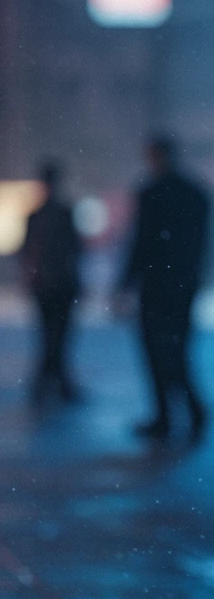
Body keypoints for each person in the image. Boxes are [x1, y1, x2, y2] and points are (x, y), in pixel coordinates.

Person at [121, 136, 209, 443]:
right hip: (182, 284)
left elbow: (142, 243)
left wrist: (126, 283)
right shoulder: (196, 194)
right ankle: (192, 412)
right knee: (178, 349)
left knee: (155, 350)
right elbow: (200, 244)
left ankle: (166, 416)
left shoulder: (152, 194)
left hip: (157, 285)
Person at [20, 162, 82, 405]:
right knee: (59, 336)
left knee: (48, 335)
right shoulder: (64, 214)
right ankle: (57, 384)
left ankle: (47, 385)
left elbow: (26, 252)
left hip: (45, 285)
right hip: (61, 284)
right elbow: (75, 250)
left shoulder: (36, 217)